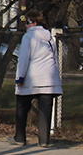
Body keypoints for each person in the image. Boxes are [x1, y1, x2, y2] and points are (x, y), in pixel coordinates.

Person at [10, 8, 62, 147]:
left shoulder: (29, 37)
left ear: (32, 23)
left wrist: (20, 77)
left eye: (26, 23)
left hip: (31, 78)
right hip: (49, 79)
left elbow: (24, 59)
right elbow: (55, 58)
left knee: (22, 107)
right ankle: (44, 140)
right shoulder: (50, 38)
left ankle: (20, 137)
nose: (25, 26)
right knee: (45, 111)